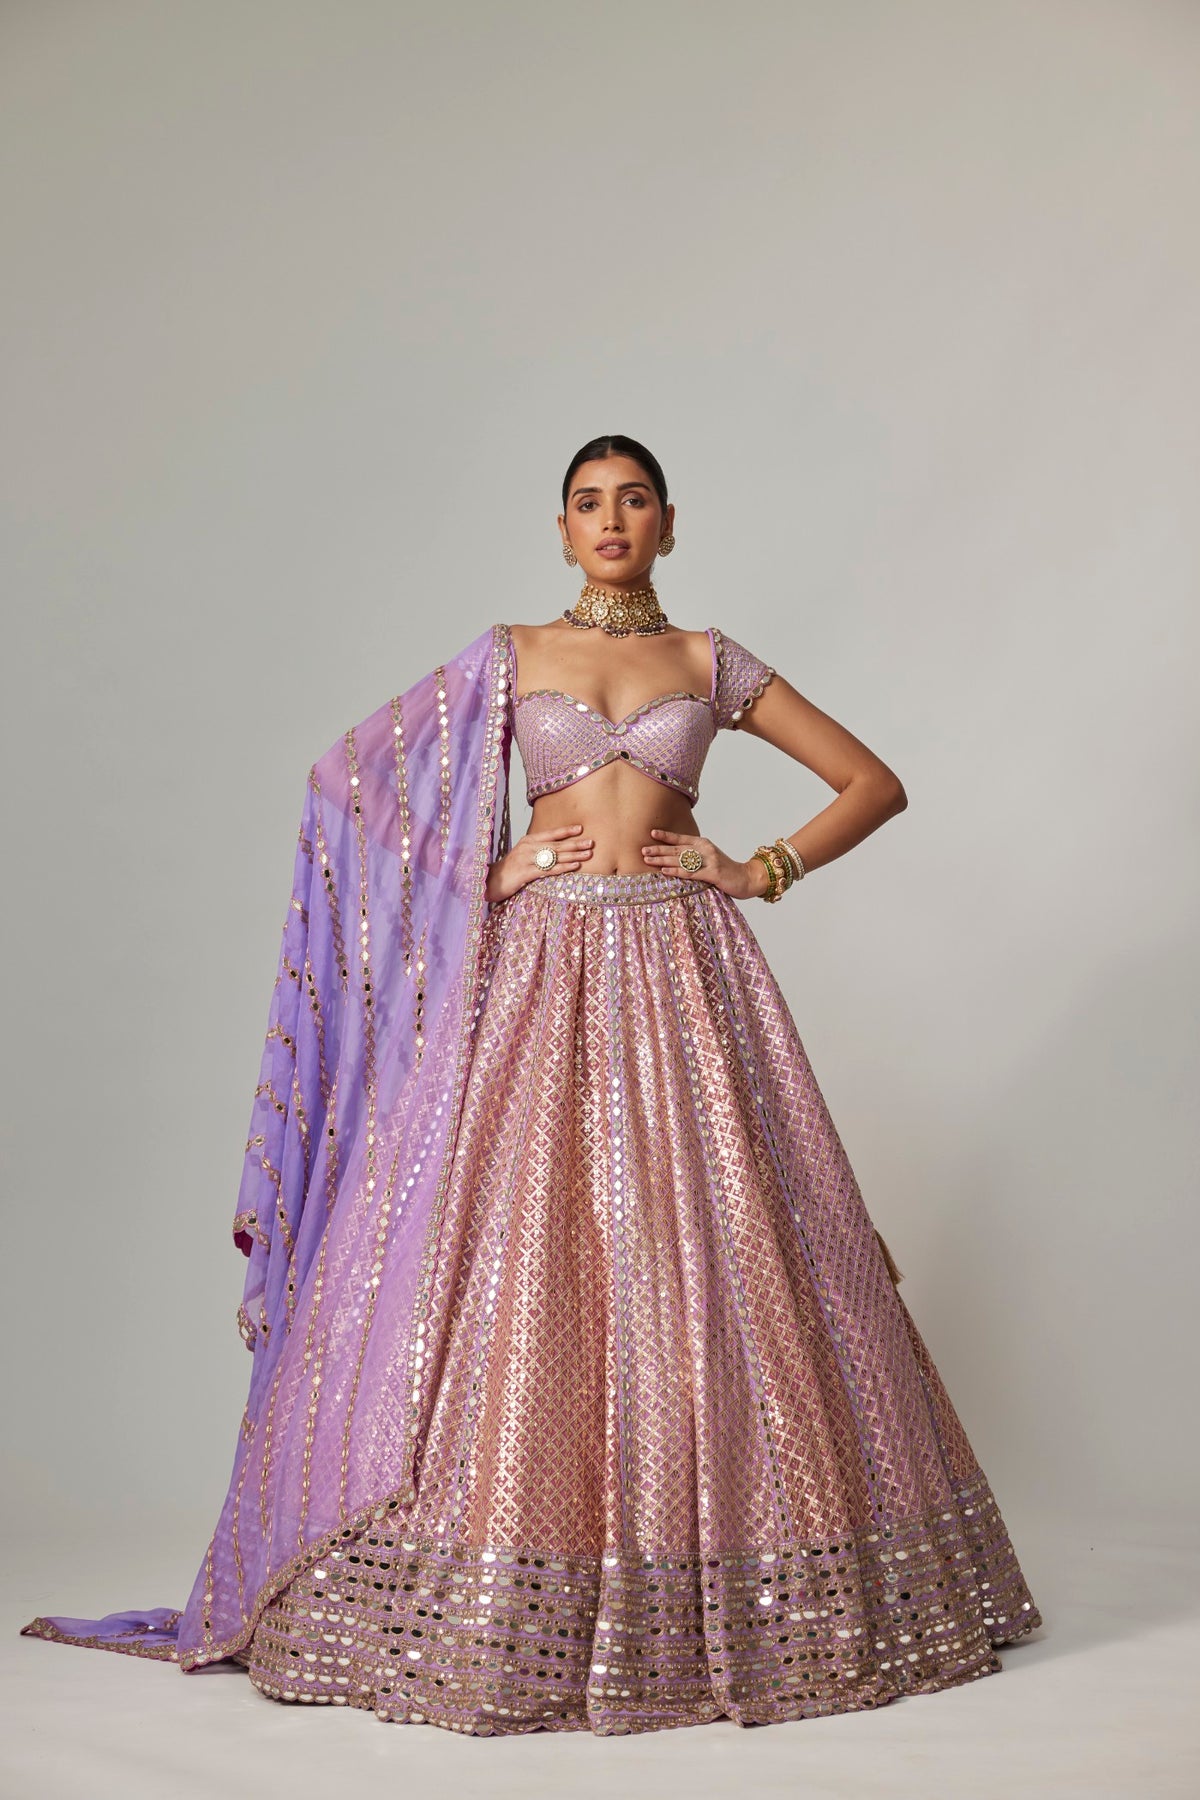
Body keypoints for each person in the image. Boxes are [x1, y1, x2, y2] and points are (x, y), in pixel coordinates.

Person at [20, 433, 1042, 1735]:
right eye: (587, 503)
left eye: (633, 500)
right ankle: (505, 1573)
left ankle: (732, 1580)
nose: (611, 520)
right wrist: (483, 873)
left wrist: (758, 870)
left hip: (685, 966)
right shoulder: (509, 656)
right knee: (519, 1253)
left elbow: (871, 782)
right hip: (540, 973)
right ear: (561, 529)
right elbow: (347, 782)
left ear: (668, 522)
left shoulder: (709, 661)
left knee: (711, 1246)